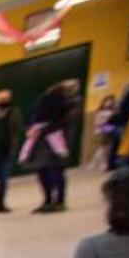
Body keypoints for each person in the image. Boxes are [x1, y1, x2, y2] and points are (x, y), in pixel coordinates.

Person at [22, 79, 82, 213]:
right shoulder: (45, 102)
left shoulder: (73, 105)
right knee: (41, 171)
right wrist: (32, 128)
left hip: (58, 142)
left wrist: (41, 130)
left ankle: (60, 201)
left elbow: (66, 123)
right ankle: (47, 200)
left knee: (57, 172)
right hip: (40, 142)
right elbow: (33, 116)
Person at [88, 94, 118, 171]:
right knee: (102, 148)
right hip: (102, 130)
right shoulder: (100, 112)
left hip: (110, 129)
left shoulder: (113, 111)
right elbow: (97, 122)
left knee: (105, 148)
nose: (109, 103)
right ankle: (98, 164)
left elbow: (114, 121)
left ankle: (96, 163)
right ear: (103, 102)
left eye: (111, 102)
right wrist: (103, 122)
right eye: (107, 101)